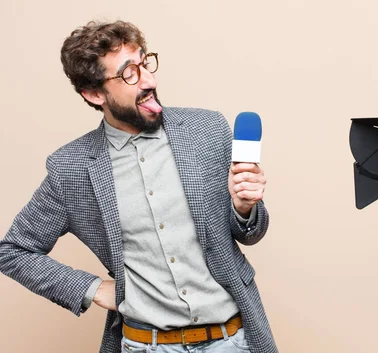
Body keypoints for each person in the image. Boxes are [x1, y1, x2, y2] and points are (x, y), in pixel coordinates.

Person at [0, 20, 277, 353]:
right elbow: (13, 252)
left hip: (233, 341)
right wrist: (93, 288)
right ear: (94, 93)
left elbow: (249, 234)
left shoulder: (208, 129)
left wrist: (244, 208)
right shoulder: (71, 169)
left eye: (145, 63)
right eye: (129, 73)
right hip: (147, 345)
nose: (149, 80)